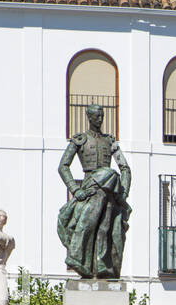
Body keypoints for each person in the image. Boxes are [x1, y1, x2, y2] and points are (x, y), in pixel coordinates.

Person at [56, 103, 131, 278]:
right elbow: (63, 166)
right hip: (90, 187)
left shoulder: (110, 142)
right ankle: (79, 259)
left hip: (110, 190)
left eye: (102, 115)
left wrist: (123, 194)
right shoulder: (80, 140)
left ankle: (102, 267)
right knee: (88, 224)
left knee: (106, 229)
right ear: (89, 117)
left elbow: (125, 168)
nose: (100, 119)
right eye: (97, 116)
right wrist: (75, 190)